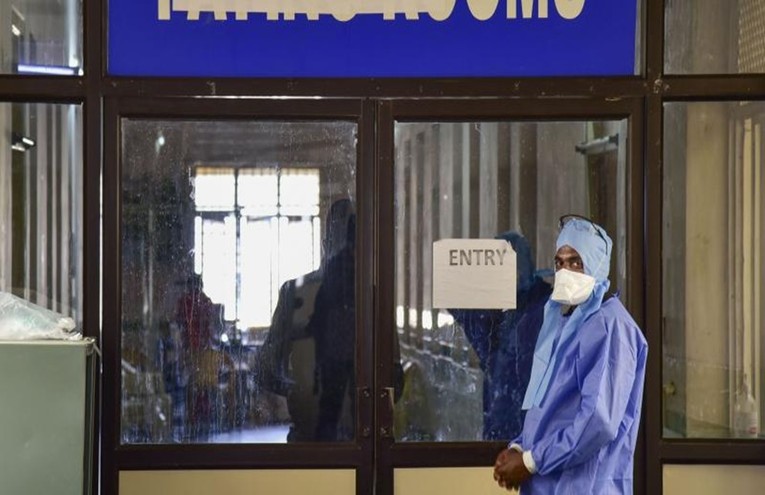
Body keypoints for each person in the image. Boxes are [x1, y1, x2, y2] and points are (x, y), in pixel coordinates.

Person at [493, 215, 647, 494]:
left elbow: (597, 421)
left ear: (597, 264)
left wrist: (531, 461)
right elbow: (552, 407)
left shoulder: (611, 327)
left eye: (576, 262)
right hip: (550, 482)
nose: (566, 271)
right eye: (559, 263)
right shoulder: (571, 325)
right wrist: (520, 447)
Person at [449, 231, 551, 441]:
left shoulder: (540, 309)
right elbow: (461, 306)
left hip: (525, 423)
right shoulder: (500, 310)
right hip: (500, 415)